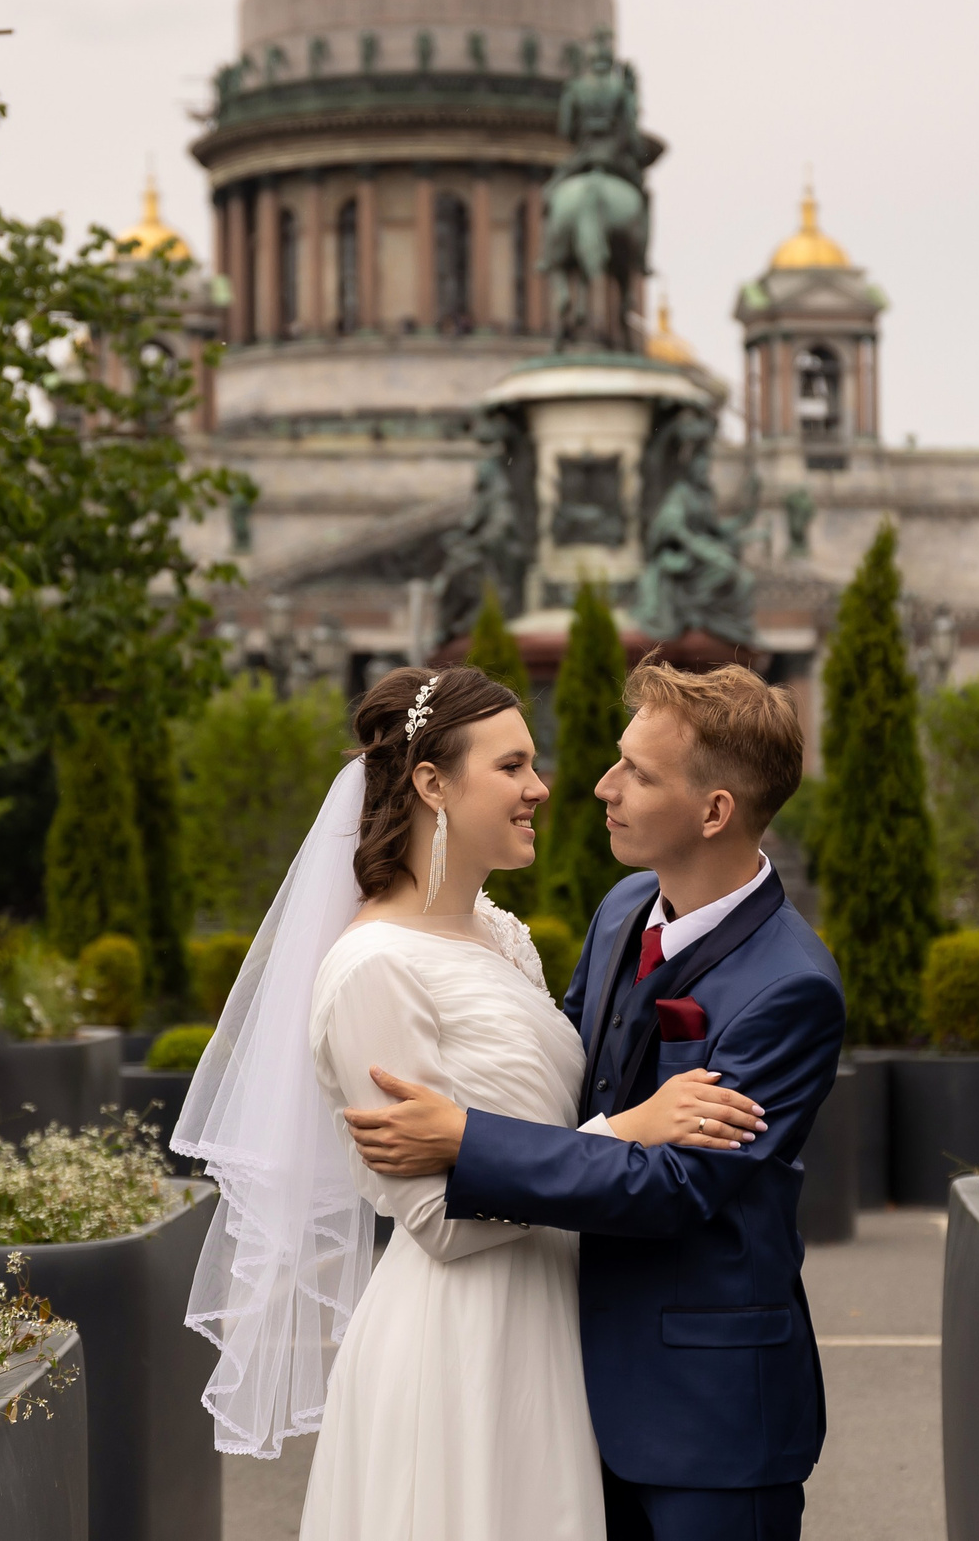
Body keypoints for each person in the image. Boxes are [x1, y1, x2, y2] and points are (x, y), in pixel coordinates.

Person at [169, 665, 764, 1541]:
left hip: (556, 1322)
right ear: (431, 784)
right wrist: (628, 1131)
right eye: (513, 766)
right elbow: (440, 1223)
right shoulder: (373, 969)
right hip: (462, 1343)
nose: (542, 788)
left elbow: (533, 1118)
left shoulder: (503, 933)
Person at [348, 660, 843, 1541]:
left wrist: (466, 1139)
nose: (599, 785)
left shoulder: (792, 989)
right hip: (557, 1384)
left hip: (709, 1423)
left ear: (715, 811)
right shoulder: (622, 911)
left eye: (638, 774)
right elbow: (567, 1083)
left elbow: (677, 1187)